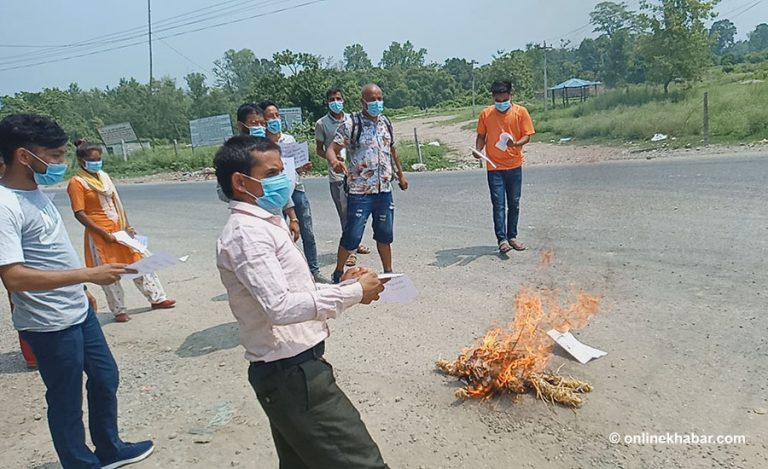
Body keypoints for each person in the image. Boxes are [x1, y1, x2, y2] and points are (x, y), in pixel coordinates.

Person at [214, 136, 389, 468]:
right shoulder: (246, 234)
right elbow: (279, 307)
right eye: (273, 173)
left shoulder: (266, 222)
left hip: (294, 371)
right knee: (363, 462)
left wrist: (346, 287)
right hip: (291, 375)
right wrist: (353, 293)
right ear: (240, 182)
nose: (285, 179)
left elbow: (297, 290)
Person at [0, 114, 154, 469]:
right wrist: (89, 273)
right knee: (66, 399)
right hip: (48, 322)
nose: (59, 164)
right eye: (53, 156)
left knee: (105, 376)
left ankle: (110, 449)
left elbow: (50, 256)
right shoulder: (5, 204)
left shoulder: (35, 194)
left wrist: (82, 287)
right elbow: (14, 277)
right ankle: (79, 463)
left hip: (76, 309)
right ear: (25, 156)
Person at [66, 140, 176, 323]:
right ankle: (119, 310)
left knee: (140, 264)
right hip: (100, 235)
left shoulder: (104, 177)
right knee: (110, 272)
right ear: (81, 161)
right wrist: (102, 233)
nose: (96, 162)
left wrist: (128, 226)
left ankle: (157, 298)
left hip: (120, 230)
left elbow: (117, 205)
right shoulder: (77, 183)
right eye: (92, 159)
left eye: (99, 159)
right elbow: (80, 214)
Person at [325, 84, 409, 284]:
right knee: (352, 235)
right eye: (372, 99)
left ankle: (388, 272)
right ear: (363, 101)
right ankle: (338, 272)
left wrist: (401, 174)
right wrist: (335, 162)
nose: (377, 103)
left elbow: (393, 151)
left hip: (384, 190)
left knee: (385, 233)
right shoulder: (352, 124)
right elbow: (331, 148)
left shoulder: (386, 122)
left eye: (380, 98)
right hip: (360, 191)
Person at [260, 100, 331, 284]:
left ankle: (314, 272)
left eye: (277, 116)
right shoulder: (260, 145)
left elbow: (293, 167)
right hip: (275, 194)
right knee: (280, 237)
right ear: (263, 120)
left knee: (307, 232)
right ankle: (285, 277)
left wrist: (302, 167)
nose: (275, 120)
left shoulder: (289, 140)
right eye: (270, 117)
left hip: (296, 189)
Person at [217, 103, 302, 243]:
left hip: (276, 218)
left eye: (262, 123)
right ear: (241, 125)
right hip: (252, 219)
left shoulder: (267, 149)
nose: (259, 127)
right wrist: (252, 195)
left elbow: (280, 186)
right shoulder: (232, 155)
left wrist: (293, 217)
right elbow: (222, 191)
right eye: (253, 123)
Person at [474, 80, 535, 253]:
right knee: (498, 203)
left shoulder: (520, 112)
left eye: (504, 99)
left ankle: (512, 236)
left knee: (514, 203)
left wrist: (515, 144)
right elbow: (481, 136)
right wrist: (478, 150)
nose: (501, 103)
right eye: (497, 100)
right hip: (494, 167)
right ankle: (502, 240)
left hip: (514, 165)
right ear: (493, 98)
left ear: (510, 95)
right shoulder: (486, 114)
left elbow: (527, 136)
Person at [315, 87, 371, 267]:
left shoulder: (352, 120)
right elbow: (319, 149)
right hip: (337, 176)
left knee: (357, 212)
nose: (335, 102)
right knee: (345, 213)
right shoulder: (322, 124)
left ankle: (355, 243)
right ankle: (350, 252)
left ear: (344, 100)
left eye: (338, 98)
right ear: (327, 102)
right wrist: (333, 160)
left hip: (356, 174)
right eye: (332, 99)